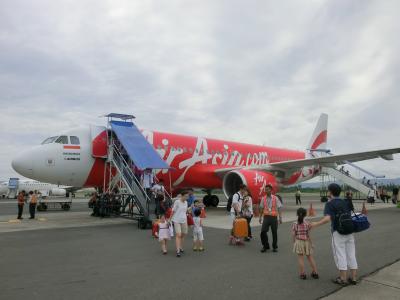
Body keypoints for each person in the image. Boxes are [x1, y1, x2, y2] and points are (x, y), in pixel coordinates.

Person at [311, 183, 358, 286]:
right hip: (350, 231)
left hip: (338, 232)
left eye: (328, 191)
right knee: (351, 254)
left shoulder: (330, 204)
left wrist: (316, 224)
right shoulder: (345, 201)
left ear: (330, 192)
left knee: (340, 254)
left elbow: (328, 218)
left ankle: (343, 279)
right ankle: (354, 278)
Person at [292, 207, 318, 280]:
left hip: (299, 241)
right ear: (305, 215)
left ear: (297, 214)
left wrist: (294, 242)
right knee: (310, 257)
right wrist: (312, 243)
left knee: (301, 258)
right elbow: (308, 234)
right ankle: (315, 272)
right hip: (307, 241)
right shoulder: (307, 223)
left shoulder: (294, 223)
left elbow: (293, 234)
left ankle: (302, 274)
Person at [259, 183, 282, 253]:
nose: (266, 191)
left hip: (274, 217)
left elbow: (279, 208)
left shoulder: (276, 198)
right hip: (266, 217)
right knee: (263, 232)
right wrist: (260, 217)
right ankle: (265, 245)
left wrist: (280, 218)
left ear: (271, 190)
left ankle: (274, 247)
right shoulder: (263, 198)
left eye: (267, 189)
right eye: (265, 190)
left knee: (274, 232)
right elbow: (261, 208)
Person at [169, 190, 190, 257]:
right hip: (176, 220)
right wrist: (170, 219)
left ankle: (180, 246)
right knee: (178, 234)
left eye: (188, 196)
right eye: (186, 196)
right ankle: (178, 250)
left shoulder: (186, 202)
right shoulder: (177, 202)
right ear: (182, 196)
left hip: (184, 220)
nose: (187, 197)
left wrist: (190, 210)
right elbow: (173, 211)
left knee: (184, 233)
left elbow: (185, 211)